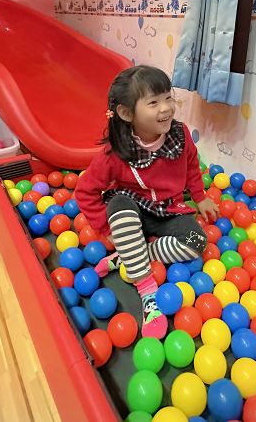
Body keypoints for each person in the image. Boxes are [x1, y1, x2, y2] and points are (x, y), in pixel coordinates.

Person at [74, 65, 219, 337]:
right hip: (133, 210)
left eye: (168, 97)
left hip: (169, 210)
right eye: (153, 102)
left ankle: (130, 256)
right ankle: (146, 291)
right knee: (117, 203)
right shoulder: (114, 154)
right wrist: (106, 230)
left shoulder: (179, 135)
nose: (166, 108)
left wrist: (200, 197)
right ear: (127, 114)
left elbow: (190, 165)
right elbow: (85, 191)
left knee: (197, 242)